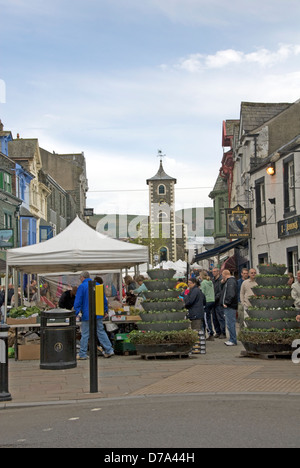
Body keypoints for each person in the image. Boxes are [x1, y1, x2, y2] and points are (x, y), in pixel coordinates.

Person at [74, 271, 114, 360]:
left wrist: (75, 313)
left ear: (82, 277)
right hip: (98, 314)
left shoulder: (82, 286)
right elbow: (104, 299)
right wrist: (105, 310)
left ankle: (82, 354)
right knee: (100, 331)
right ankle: (109, 350)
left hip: (87, 315)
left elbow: (78, 301)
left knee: (85, 334)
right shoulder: (98, 285)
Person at [220, 269, 238, 346]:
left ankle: (233, 340)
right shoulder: (229, 281)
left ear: (224, 275)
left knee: (230, 323)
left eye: (222, 275)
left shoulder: (230, 282)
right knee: (230, 323)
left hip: (230, 306)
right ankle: (232, 339)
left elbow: (231, 293)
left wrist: (226, 302)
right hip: (230, 305)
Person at [200, 271, 215, 341]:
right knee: (208, 317)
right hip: (212, 300)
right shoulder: (210, 282)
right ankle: (209, 332)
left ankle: (210, 333)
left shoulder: (203, 283)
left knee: (206, 318)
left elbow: (202, 293)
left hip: (207, 301)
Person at [212, 268, 226, 339]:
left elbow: (221, 291)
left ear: (218, 272)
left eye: (215, 271)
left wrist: (215, 298)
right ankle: (218, 332)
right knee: (214, 318)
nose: (213, 273)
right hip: (213, 302)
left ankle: (223, 332)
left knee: (220, 318)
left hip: (219, 302)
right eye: (213, 272)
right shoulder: (213, 280)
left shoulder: (220, 280)